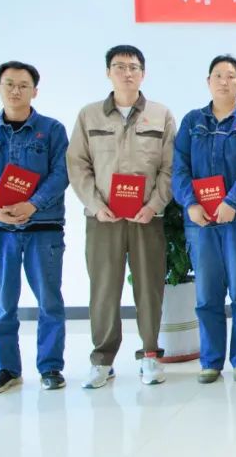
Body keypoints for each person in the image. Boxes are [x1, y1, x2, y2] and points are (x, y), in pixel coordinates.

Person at [67, 45, 177, 387]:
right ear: (108, 72)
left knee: (149, 288)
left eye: (133, 67)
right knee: (103, 289)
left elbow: (170, 167)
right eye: (119, 66)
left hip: (147, 218)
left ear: (143, 73)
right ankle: (102, 360)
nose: (127, 73)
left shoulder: (160, 115)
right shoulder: (89, 116)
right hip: (103, 219)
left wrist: (154, 204)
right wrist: (95, 204)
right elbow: (78, 164)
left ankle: (150, 356)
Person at [172, 55, 236, 384]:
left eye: (231, 76)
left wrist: (232, 200)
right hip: (200, 223)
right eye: (217, 75)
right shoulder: (192, 122)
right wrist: (190, 204)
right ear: (208, 81)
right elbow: (179, 168)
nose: (224, 81)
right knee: (207, 295)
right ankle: (211, 361)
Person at [0, 61, 69, 394]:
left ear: (35, 91)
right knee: (2, 304)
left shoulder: (52, 129)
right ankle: (6, 368)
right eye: (9, 84)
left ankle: (50, 367)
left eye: (23, 85)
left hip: (43, 228)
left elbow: (61, 173)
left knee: (50, 302)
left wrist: (33, 204)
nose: (16, 91)